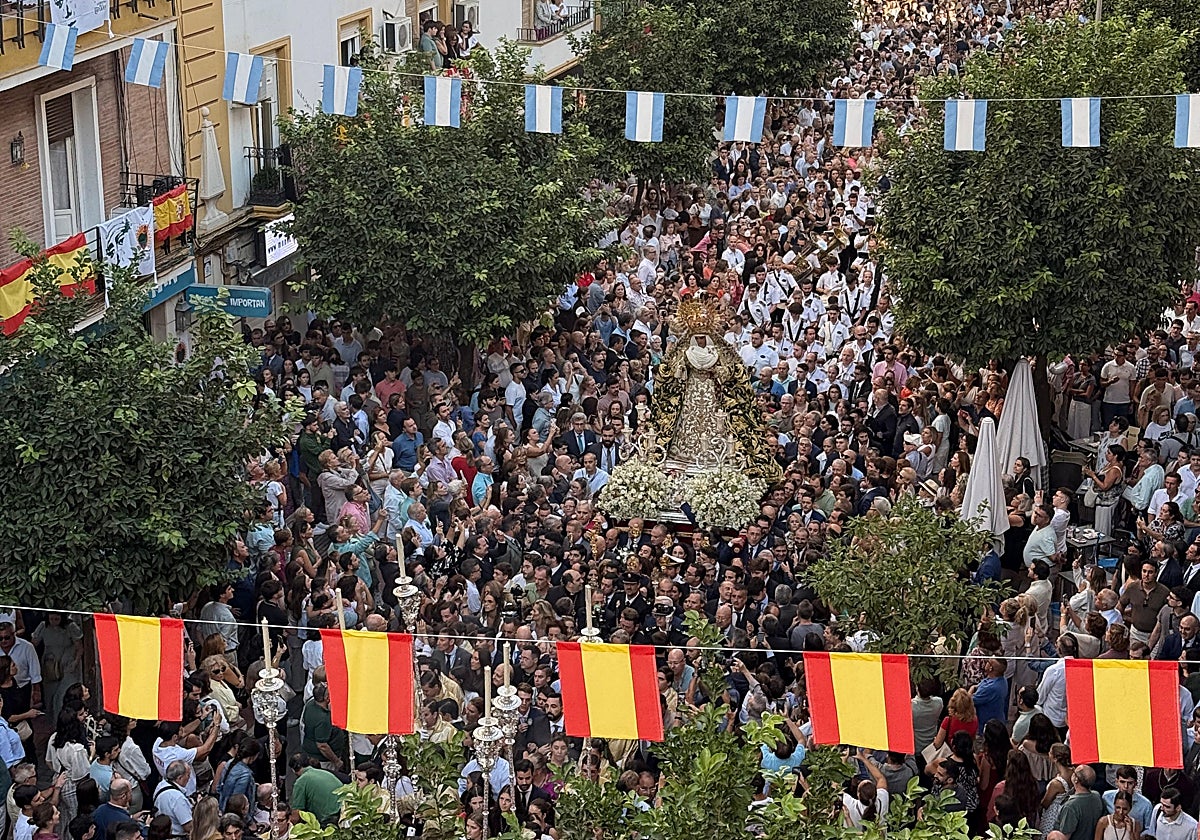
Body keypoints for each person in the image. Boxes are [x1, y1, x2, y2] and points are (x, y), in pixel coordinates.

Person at [288, 755, 342, 826]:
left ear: (293, 769)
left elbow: (296, 816)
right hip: (345, 812)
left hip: (329, 820)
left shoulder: (301, 782)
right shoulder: (324, 773)